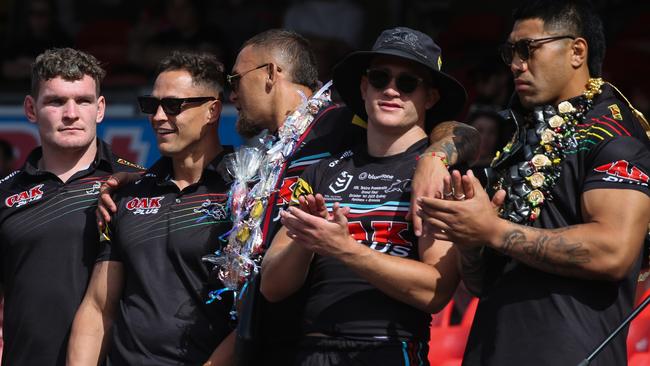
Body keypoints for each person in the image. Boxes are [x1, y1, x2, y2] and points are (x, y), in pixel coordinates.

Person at [96, 29, 478, 365]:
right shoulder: (263, 152)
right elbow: (199, 178)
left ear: (270, 75)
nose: (231, 93)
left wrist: (436, 154)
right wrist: (141, 181)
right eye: (378, 79)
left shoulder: (338, 122)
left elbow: (454, 129)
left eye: (235, 78)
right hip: (279, 342)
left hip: (363, 340)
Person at [418, 1, 650, 365]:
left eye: (528, 49)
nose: (514, 64)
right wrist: (469, 240)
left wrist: (491, 230)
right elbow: (481, 283)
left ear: (576, 51)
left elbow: (614, 250)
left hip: (570, 354)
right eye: (510, 51)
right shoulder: (521, 128)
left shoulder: (614, 132)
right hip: (490, 349)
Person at [260, 26, 465, 365]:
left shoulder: (436, 173)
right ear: (364, 86)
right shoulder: (321, 171)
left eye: (407, 82)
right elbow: (272, 286)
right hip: (311, 351)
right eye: (380, 77)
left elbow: (436, 290)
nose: (391, 90)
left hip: (388, 349)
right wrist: (305, 240)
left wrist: (345, 249)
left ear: (430, 97)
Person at [67, 51, 235, 365]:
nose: (158, 117)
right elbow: (99, 306)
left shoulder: (245, 191)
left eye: (173, 106)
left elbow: (259, 314)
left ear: (213, 110)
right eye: (151, 105)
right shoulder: (127, 194)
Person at [0, 47, 142, 366]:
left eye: (83, 100)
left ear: (100, 108)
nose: (71, 113)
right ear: (30, 108)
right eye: (56, 101)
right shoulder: (5, 195)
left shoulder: (138, 186)